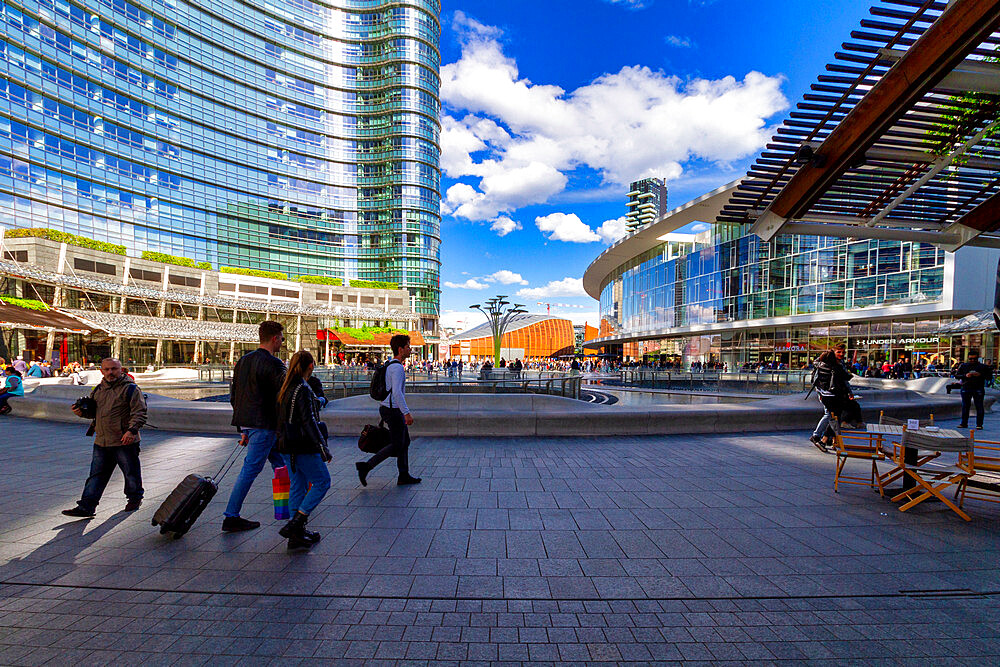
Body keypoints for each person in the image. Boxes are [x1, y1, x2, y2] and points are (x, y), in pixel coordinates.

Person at [61, 358, 147, 517]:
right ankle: (87, 506)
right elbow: (95, 414)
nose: (110, 372)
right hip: (102, 440)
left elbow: (139, 412)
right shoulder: (98, 389)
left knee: (130, 472)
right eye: (107, 369)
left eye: (114, 369)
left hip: (124, 440)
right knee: (96, 475)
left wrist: (132, 431)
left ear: (121, 370)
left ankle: (135, 497)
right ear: (101, 371)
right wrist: (81, 412)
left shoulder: (131, 389)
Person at [223, 320, 287, 532]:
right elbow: (283, 396)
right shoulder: (274, 363)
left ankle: (288, 507)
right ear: (275, 338)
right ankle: (231, 515)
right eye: (282, 338)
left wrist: (243, 427)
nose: (282, 342)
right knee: (250, 470)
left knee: (281, 464)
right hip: (265, 425)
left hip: (249, 422)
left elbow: (235, 395)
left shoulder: (244, 360)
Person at [276, 351, 331, 549]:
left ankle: (296, 535)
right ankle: (296, 522)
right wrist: (322, 446)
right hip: (302, 445)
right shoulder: (303, 388)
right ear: (310, 366)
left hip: (286, 444)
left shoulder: (286, 386)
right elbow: (308, 421)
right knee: (323, 481)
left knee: (297, 486)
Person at [356, 334, 421, 486]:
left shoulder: (390, 365)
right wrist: (406, 413)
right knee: (398, 444)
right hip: (393, 411)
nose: (410, 349)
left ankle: (403, 475)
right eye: (407, 347)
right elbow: (397, 392)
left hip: (388, 408)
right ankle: (366, 466)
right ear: (400, 349)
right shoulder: (397, 368)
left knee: (404, 442)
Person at [810, 344, 854, 452]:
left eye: (843, 352)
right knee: (834, 416)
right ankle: (823, 439)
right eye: (839, 352)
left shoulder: (825, 362)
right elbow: (845, 378)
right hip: (828, 394)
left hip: (826, 393)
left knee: (830, 414)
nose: (841, 354)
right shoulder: (832, 364)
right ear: (833, 352)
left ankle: (821, 437)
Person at [956, 351, 992, 429]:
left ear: (977, 358)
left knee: (979, 406)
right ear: (968, 358)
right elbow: (957, 375)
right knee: (965, 406)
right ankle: (964, 423)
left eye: (974, 359)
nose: (972, 360)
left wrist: (980, 375)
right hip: (966, 388)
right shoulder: (964, 366)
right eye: (971, 359)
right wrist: (965, 375)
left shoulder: (983, 367)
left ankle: (979, 424)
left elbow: (989, 377)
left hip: (978, 388)